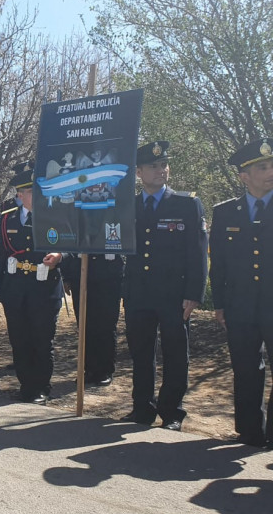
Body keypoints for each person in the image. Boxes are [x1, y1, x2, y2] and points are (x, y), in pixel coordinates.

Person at [122, 141, 207, 431]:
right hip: (138, 293)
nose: (161, 170)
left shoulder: (185, 203)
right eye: (153, 166)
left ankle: (171, 412)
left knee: (175, 353)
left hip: (174, 294)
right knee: (141, 353)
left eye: (163, 165)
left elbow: (197, 253)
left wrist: (194, 293)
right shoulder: (128, 204)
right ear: (139, 172)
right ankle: (141, 408)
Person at [209, 138, 273, 449]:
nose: (270, 171)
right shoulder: (225, 213)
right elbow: (218, 263)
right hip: (240, 306)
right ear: (244, 176)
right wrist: (219, 304)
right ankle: (250, 432)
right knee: (246, 370)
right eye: (262, 167)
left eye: (272, 164)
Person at [0, 165, 67, 404]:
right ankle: (26, 385)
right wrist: (0, 288)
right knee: (19, 339)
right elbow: (1, 256)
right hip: (15, 289)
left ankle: (41, 387)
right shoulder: (8, 219)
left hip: (44, 288)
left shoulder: (56, 216)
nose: (36, 196)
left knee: (42, 340)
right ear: (20, 194)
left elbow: (72, 248)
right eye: (30, 192)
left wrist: (60, 257)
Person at [63, 253, 123, 386]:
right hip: (80, 273)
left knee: (106, 325)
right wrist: (66, 276)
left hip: (108, 275)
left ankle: (105, 370)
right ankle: (89, 369)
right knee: (85, 324)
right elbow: (70, 244)